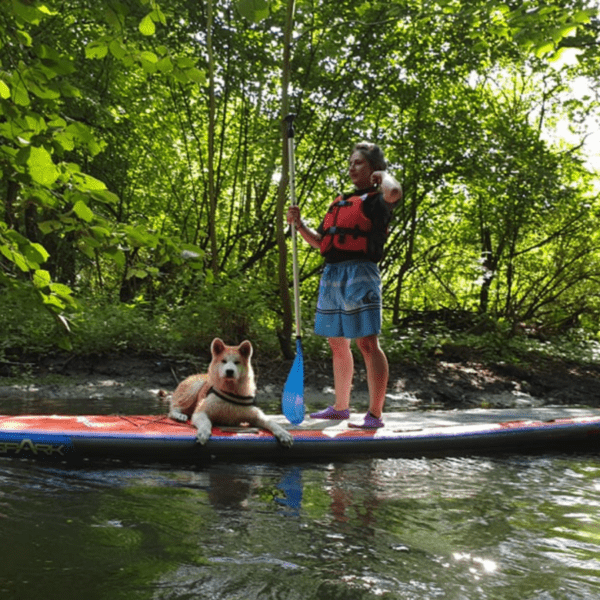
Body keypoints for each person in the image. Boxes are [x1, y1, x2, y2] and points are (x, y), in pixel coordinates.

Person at [286, 142, 402, 428]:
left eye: (359, 163)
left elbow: (394, 192)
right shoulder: (340, 202)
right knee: (337, 342)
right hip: (333, 274)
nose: (352, 168)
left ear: (374, 168)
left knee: (367, 343)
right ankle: (340, 407)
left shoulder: (377, 200)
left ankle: (374, 414)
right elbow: (323, 244)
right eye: (350, 162)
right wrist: (299, 225)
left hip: (360, 274)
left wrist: (383, 175)